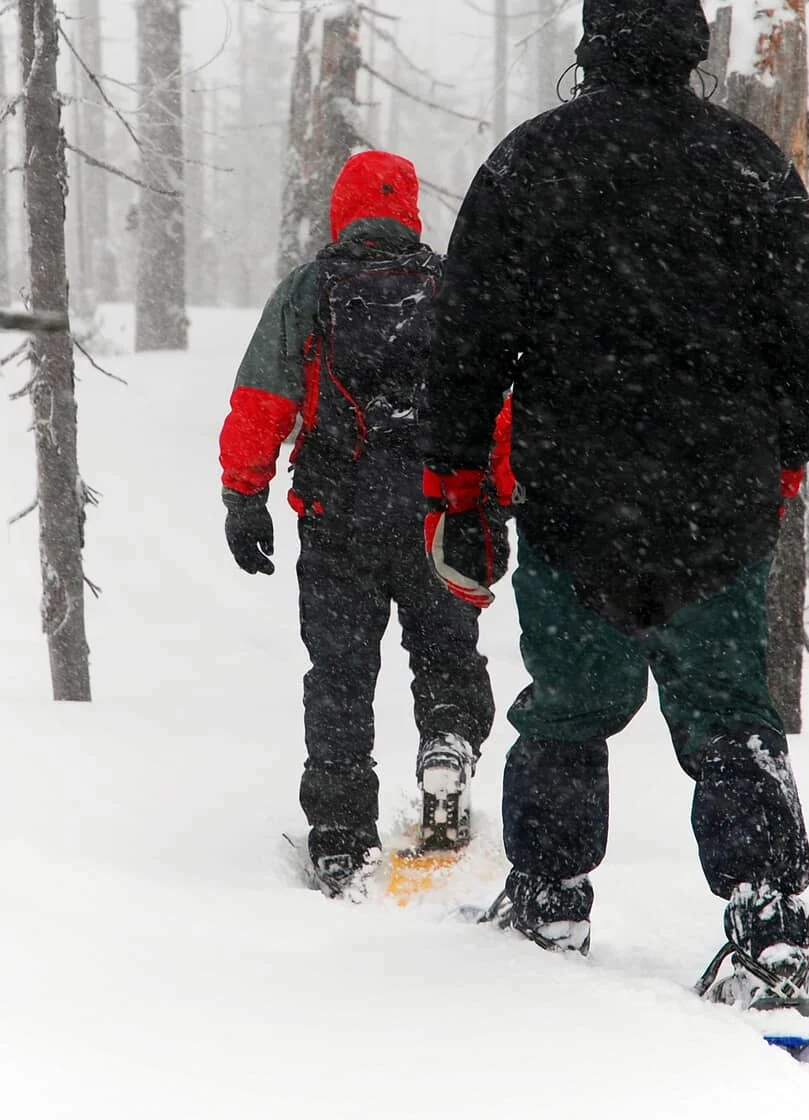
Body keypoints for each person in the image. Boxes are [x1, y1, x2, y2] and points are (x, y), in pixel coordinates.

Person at [421, 0, 809, 1012]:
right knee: (730, 715)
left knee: (569, 705)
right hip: (718, 501)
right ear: (692, 46)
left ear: (592, 42)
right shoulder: (747, 164)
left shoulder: (533, 162)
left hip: (576, 497)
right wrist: (782, 452)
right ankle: (767, 926)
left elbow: (467, 338)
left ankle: (548, 898)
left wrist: (457, 481)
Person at [220, 151, 509, 898]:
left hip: (337, 517)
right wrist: (501, 498)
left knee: (340, 678)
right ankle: (447, 746)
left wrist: (243, 495)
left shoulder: (308, 290)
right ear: (410, 208)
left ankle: (343, 838)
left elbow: (261, 399)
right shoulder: (451, 286)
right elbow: (496, 405)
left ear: (341, 210)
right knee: (446, 655)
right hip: (438, 513)